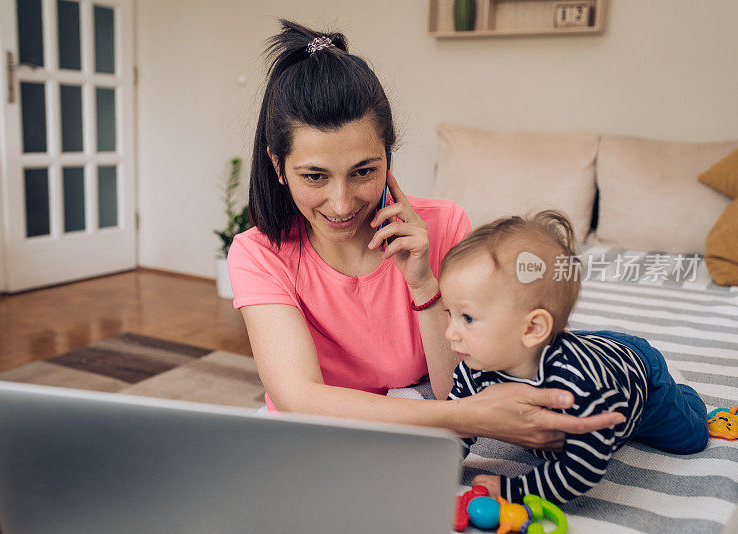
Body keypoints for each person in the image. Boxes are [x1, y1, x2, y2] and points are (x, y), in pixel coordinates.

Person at [227, 19, 624, 451]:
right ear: (277, 165)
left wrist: (423, 284)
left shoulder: (446, 225)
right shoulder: (258, 253)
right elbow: (299, 399)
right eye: (315, 176)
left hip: (423, 425)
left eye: (364, 171)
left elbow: (454, 385)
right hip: (319, 436)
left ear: (388, 154)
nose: (341, 204)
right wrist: (465, 417)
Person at [441, 210, 709, 503]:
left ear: (532, 328)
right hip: (577, 346)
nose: (450, 333)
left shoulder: (582, 384)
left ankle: (681, 390)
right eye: (449, 314)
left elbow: (582, 469)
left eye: (467, 318)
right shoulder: (473, 366)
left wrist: (513, 490)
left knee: (691, 439)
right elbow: (458, 426)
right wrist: (438, 468)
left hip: (640, 377)